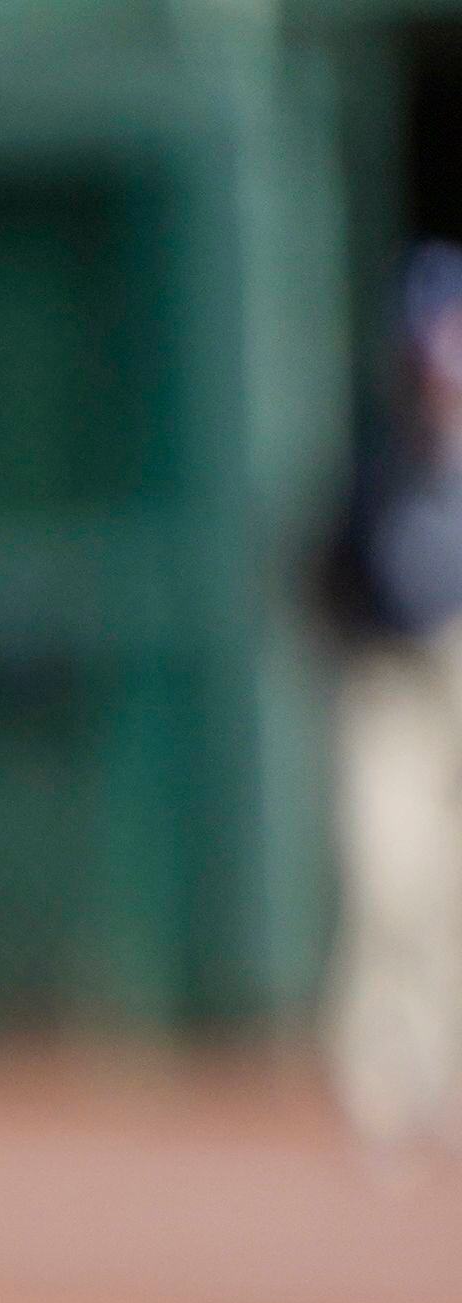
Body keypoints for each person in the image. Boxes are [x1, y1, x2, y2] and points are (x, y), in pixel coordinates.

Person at [323, 241, 462, 1154]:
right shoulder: (381, 464)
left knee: (452, 891)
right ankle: (381, 1085)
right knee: (388, 881)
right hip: (392, 687)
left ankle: (446, 1082)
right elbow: (322, 575)